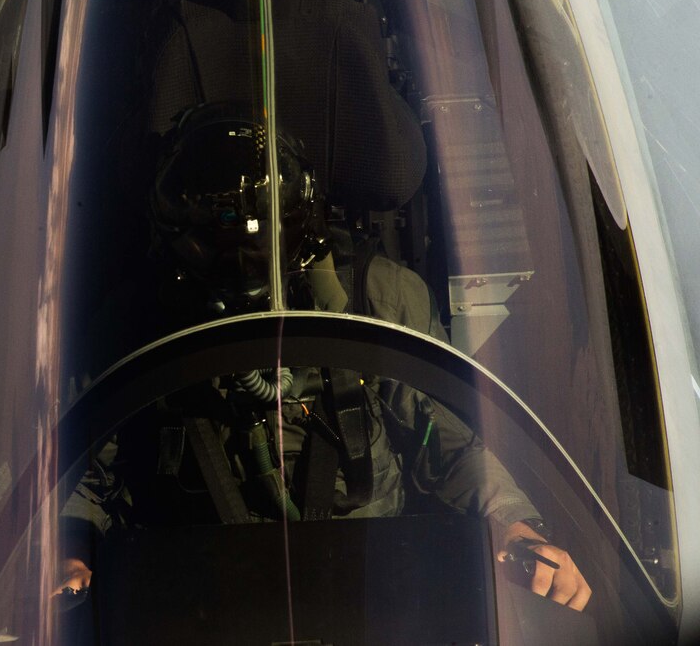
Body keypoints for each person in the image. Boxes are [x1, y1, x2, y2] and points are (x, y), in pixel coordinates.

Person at [56, 103, 591, 613]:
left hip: (373, 589)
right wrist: (69, 551)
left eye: (255, 233)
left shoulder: (375, 299)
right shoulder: (135, 321)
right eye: (214, 235)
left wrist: (514, 526)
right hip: (200, 597)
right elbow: (89, 470)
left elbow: (446, 441)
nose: (242, 257)